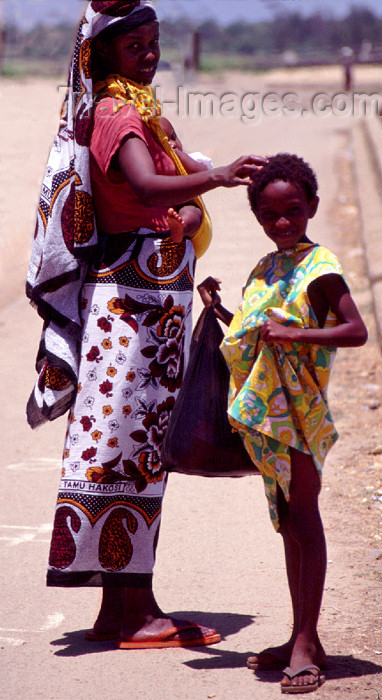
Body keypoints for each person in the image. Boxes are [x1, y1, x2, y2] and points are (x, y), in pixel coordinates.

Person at [26, 0, 264, 649]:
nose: (151, 55)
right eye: (137, 47)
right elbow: (140, 183)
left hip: (147, 304)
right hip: (129, 309)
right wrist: (212, 179)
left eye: (155, 43)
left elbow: (167, 185)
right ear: (106, 54)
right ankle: (128, 613)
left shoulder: (134, 109)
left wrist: (192, 200)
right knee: (123, 454)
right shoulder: (117, 112)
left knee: (137, 456)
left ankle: (129, 607)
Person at [198, 153, 368, 692]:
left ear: (311, 206)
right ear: (258, 219)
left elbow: (355, 330)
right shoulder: (266, 269)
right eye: (271, 216)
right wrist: (223, 312)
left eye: (293, 211)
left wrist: (298, 337)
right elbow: (263, 334)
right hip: (273, 415)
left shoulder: (321, 268)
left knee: (306, 518)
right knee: (291, 521)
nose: (283, 223)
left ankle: (306, 641)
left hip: (301, 413)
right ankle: (301, 634)